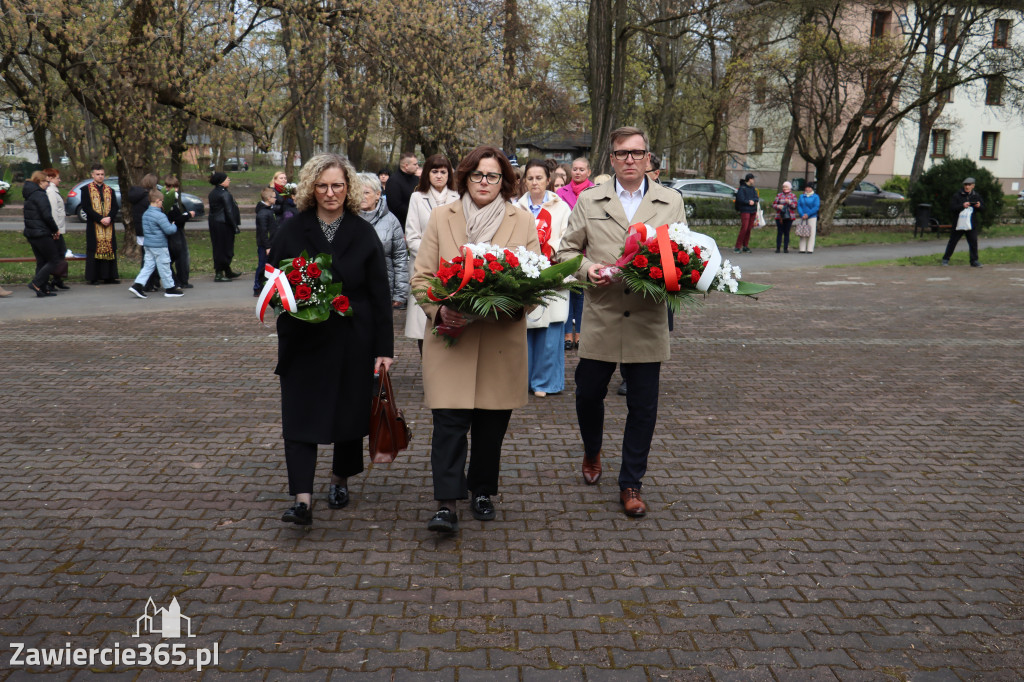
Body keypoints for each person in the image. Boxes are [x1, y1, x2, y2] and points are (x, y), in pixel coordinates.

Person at [555, 126, 687, 518]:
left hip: (647, 317)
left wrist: (671, 273)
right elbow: (566, 250)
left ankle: (631, 482)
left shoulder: (671, 200)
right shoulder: (591, 199)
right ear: (610, 159)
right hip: (602, 314)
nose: (630, 160)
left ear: (649, 158)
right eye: (621, 154)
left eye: (637, 153)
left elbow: (682, 251)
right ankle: (592, 449)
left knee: (643, 407)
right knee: (587, 394)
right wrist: (588, 267)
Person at [410, 145, 540, 533]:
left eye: (493, 176)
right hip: (452, 341)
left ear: (505, 181)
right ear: (464, 177)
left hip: (500, 341)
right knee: (448, 424)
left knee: (490, 427)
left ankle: (481, 489)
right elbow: (421, 278)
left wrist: (513, 305)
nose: (485, 183)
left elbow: (537, 280)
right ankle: (446, 503)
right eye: (478, 175)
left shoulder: (522, 221)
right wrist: (439, 310)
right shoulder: (440, 217)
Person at [268, 154, 394, 527]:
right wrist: (293, 295)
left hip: (352, 339)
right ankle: (302, 498)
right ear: (310, 188)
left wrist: (384, 349)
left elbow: (379, 294)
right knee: (299, 414)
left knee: (347, 414)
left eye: (337, 185)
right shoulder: (292, 230)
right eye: (322, 185)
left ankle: (340, 479)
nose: (330, 192)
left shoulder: (362, 231)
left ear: (348, 188)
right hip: (302, 340)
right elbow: (273, 281)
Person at [513, 159, 571, 397]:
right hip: (525, 274)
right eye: (530, 178)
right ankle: (522, 380)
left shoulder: (562, 207)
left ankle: (546, 383)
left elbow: (570, 236)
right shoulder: (516, 208)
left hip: (553, 272)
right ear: (524, 181)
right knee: (525, 329)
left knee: (550, 333)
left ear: (548, 179)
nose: (535, 182)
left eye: (539, 178)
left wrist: (551, 248)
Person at [404, 153, 459, 353]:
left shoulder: (458, 197)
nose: (438, 176)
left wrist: (450, 258)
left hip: (452, 267)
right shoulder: (417, 198)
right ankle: (425, 363)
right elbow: (412, 236)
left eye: (443, 172)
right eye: (434, 171)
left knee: (450, 316)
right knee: (423, 321)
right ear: (427, 173)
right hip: (424, 266)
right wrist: (434, 255)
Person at [557, 157, 594, 353]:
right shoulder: (560, 193)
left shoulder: (594, 193)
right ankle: (566, 334)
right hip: (567, 248)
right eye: (575, 169)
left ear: (588, 172)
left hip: (587, 251)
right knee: (565, 293)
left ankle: (579, 332)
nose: (578, 172)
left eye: (582, 169)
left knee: (581, 295)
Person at [358, 173, 409, 309]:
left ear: (378, 194)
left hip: (383, 287)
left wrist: (400, 293)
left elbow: (400, 258)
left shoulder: (391, 221)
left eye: (366, 192)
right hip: (354, 289)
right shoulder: (347, 219)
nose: (361, 196)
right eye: (357, 192)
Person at [129, 189, 184, 298]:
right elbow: (169, 230)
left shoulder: (146, 214)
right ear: (158, 201)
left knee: (148, 266)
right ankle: (170, 289)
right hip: (159, 245)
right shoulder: (160, 215)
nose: (162, 203)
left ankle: (138, 285)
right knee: (164, 266)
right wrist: (174, 224)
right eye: (162, 201)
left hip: (148, 244)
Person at [22, 171, 62, 297]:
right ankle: (36, 283)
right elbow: (47, 216)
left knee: (42, 261)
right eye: (46, 182)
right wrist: (55, 230)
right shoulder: (40, 195)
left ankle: (42, 288)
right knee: (54, 259)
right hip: (41, 232)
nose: (48, 184)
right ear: (40, 182)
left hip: (32, 233)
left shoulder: (30, 194)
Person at [82, 164, 120, 284]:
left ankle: (109, 276)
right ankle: (93, 277)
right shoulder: (85, 190)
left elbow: (115, 206)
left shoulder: (110, 190)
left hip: (108, 225)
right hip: (94, 225)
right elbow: (86, 207)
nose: (100, 176)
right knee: (94, 249)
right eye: (97, 174)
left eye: (102, 174)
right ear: (93, 175)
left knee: (110, 249)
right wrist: (100, 219)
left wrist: (109, 217)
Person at [126, 174, 160, 291]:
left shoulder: (137, 196)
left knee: (147, 257)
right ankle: (148, 283)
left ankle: (151, 282)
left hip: (140, 230)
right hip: (149, 231)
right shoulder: (147, 198)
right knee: (149, 259)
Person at [941, 177, 984, 268]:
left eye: (969, 185)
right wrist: (962, 206)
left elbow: (983, 209)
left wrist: (979, 206)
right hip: (959, 224)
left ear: (973, 186)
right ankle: (945, 259)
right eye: (965, 185)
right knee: (953, 242)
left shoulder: (976, 195)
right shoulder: (957, 195)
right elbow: (952, 208)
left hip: (971, 224)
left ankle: (974, 261)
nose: (967, 186)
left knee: (973, 242)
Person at [208, 171, 241, 282]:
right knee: (225, 248)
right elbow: (229, 211)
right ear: (221, 181)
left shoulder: (213, 193)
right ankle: (219, 273)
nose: (229, 180)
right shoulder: (224, 194)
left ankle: (227, 270)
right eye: (227, 178)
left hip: (214, 223)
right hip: (224, 224)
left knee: (218, 247)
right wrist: (235, 226)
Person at [163, 176, 194, 287]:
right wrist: (188, 215)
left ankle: (181, 280)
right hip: (173, 232)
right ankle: (177, 281)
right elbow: (174, 219)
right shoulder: (168, 201)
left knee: (179, 258)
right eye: (171, 187)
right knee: (179, 256)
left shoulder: (174, 200)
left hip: (176, 231)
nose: (175, 189)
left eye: (176, 187)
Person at [43, 168, 70, 291]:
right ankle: (52, 279)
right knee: (56, 254)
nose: (59, 180)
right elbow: (53, 211)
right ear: (51, 178)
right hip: (55, 230)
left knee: (61, 253)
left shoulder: (54, 190)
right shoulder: (51, 191)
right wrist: (55, 230)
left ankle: (57, 279)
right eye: (58, 178)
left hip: (58, 229)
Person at [254, 187, 280, 296]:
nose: (276, 199)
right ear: (269, 198)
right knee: (262, 266)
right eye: (274, 197)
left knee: (268, 265)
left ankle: (266, 285)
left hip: (269, 244)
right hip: (265, 245)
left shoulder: (268, 210)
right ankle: (257, 287)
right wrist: (267, 246)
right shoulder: (263, 214)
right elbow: (263, 232)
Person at [385, 152, 420, 227]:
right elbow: (396, 205)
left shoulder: (417, 180)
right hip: (400, 224)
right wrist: (415, 213)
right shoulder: (393, 181)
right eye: (415, 164)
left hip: (417, 222)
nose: (417, 166)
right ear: (406, 166)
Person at [734, 173, 759, 254]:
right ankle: (737, 246)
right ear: (749, 179)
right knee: (744, 228)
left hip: (752, 210)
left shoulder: (752, 188)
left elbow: (756, 197)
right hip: (745, 210)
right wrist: (748, 202)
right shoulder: (742, 188)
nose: (754, 180)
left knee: (749, 228)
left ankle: (745, 245)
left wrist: (754, 201)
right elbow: (740, 199)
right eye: (753, 179)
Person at [772, 181, 798, 254]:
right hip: (779, 216)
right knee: (779, 232)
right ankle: (778, 248)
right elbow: (774, 204)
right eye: (783, 187)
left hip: (789, 216)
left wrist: (790, 202)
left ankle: (785, 248)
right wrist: (778, 206)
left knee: (787, 232)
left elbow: (795, 206)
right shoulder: (779, 195)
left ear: (789, 187)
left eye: (786, 187)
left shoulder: (793, 196)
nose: (784, 188)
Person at [796, 183, 820, 254]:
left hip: (812, 217)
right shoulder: (801, 196)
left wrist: (808, 214)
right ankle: (802, 249)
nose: (807, 189)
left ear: (812, 188)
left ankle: (810, 249)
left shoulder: (815, 197)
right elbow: (799, 205)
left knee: (811, 233)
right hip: (803, 216)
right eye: (806, 187)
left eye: (809, 187)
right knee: (803, 232)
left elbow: (816, 207)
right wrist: (802, 214)